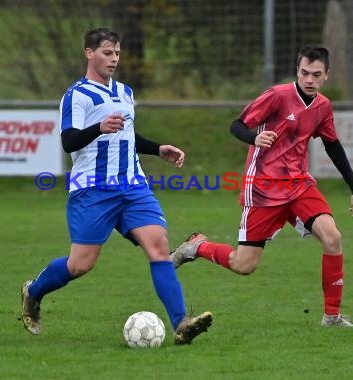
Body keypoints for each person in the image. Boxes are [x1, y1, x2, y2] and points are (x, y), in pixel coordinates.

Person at [20, 28, 212, 344]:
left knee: (158, 246)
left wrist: (158, 148)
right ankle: (33, 291)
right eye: (107, 53)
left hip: (132, 186)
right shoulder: (77, 95)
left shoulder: (124, 92)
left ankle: (181, 323)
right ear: (89, 53)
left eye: (117, 53)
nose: (113, 59)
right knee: (80, 265)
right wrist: (98, 127)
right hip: (93, 190)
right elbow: (69, 141)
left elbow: (127, 136)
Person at [171, 45, 353, 328]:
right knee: (244, 265)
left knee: (332, 238)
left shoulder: (323, 106)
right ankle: (197, 246)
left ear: (326, 76)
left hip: (299, 185)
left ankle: (332, 316)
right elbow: (236, 125)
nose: (309, 79)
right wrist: (254, 139)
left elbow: (333, 146)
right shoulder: (277, 96)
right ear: (297, 70)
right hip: (263, 187)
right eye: (304, 73)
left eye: (316, 74)